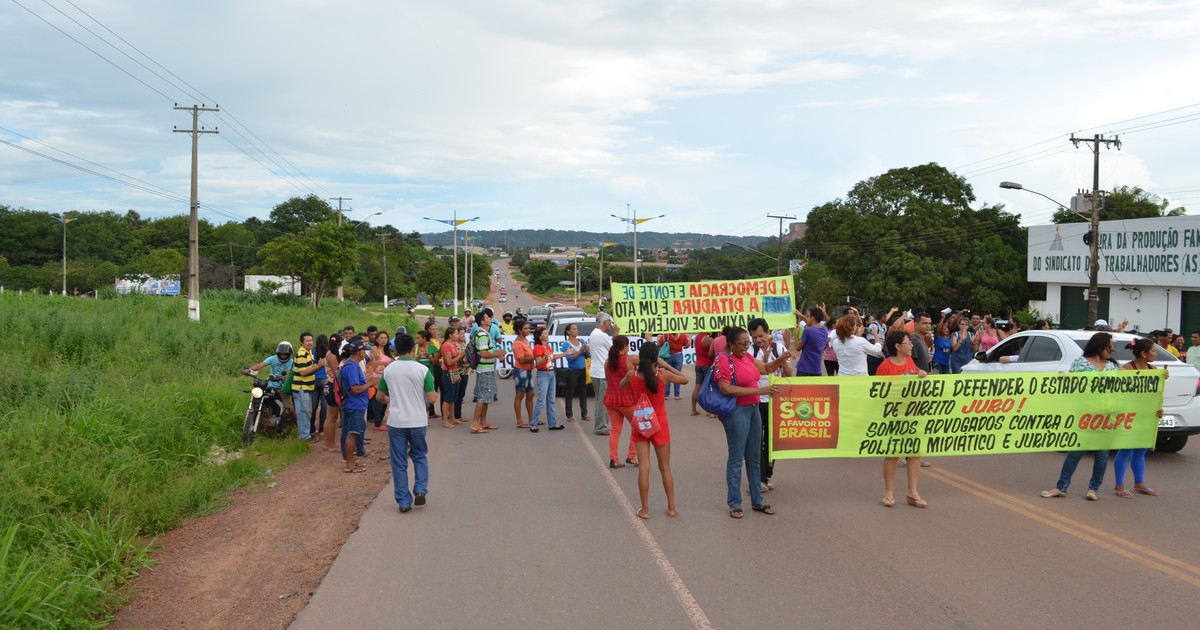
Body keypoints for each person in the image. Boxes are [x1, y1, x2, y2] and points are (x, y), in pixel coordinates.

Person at [713, 326, 787, 519]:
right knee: (736, 457)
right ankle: (735, 503)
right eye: (743, 343)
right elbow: (726, 388)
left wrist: (781, 359)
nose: (747, 346)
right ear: (731, 344)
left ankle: (758, 501)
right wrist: (758, 392)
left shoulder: (746, 357)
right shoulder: (723, 359)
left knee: (754, 457)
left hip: (753, 410)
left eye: (748, 342)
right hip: (737, 411)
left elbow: (765, 369)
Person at [1041, 332, 1121, 501]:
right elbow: (1074, 388)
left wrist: (1159, 378)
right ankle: (1061, 486)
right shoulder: (1080, 363)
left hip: (1107, 417)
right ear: (1099, 347)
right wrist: (1066, 380)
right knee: (1075, 452)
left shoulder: (1113, 366)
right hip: (1084, 416)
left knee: (1102, 454)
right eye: (1109, 347)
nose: (1112, 350)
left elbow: (1130, 385)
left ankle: (1094, 489)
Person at [622, 340, 688, 519]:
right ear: (656, 359)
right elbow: (685, 379)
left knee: (644, 468)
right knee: (665, 467)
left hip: (641, 423)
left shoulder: (632, 375)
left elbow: (622, 384)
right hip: (660, 424)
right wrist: (666, 366)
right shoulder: (662, 375)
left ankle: (644, 510)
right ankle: (672, 508)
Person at [376, 334, 438, 512]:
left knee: (399, 462)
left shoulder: (389, 370)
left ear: (396, 349)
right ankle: (420, 489)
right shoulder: (422, 370)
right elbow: (432, 399)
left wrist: (391, 400)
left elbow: (380, 396)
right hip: (417, 420)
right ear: (413, 348)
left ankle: (403, 501)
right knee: (419, 456)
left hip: (396, 422)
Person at [875, 331, 929, 508]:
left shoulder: (910, 362)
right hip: (893, 416)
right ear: (898, 347)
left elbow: (914, 382)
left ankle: (912, 492)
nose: (912, 346)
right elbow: (878, 393)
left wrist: (919, 374)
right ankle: (888, 492)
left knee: (914, 454)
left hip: (912, 414)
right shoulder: (884, 367)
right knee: (892, 454)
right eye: (908, 343)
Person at [1113, 338, 1162, 498]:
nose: (1155, 354)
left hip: (1145, 415)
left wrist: (1159, 409)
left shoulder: (1153, 369)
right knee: (1125, 448)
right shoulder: (1126, 370)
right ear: (1143, 353)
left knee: (1141, 449)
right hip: (1128, 415)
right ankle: (1119, 485)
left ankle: (1139, 483)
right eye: (1153, 351)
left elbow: (1156, 394)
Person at [749, 318, 793, 493]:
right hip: (756, 401)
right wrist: (766, 363)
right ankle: (759, 478)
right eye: (755, 337)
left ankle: (767, 476)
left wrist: (780, 360)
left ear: (768, 332)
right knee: (757, 441)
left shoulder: (779, 348)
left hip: (776, 402)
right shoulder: (750, 352)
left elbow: (790, 374)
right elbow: (750, 375)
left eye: (760, 336)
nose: (758, 340)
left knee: (772, 442)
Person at [339, 339, 379, 473]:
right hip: (354, 405)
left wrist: (367, 381)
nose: (365, 353)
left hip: (355, 404)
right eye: (364, 350)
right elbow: (355, 389)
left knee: (353, 433)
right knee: (352, 434)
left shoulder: (352, 365)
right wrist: (370, 383)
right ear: (360, 352)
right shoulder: (352, 367)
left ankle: (351, 461)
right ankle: (349, 464)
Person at [604, 335, 639, 467]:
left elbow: (608, 380)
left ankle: (614, 459)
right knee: (637, 427)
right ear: (625, 346)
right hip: (627, 400)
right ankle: (631, 455)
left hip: (611, 400)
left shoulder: (608, 361)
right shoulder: (630, 359)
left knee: (615, 430)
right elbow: (648, 359)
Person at [468, 310, 505, 434]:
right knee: (483, 396)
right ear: (482, 321)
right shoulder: (482, 334)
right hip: (484, 370)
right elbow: (483, 353)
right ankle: (475, 423)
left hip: (486, 368)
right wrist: (497, 353)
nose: (490, 319)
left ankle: (483, 422)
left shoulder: (483, 333)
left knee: (487, 395)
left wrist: (496, 356)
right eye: (487, 318)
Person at [244, 341, 296, 427]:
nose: (283, 356)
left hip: (283, 387)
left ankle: (297, 425)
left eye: (285, 354)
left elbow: (292, 372)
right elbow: (260, 365)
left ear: (289, 354)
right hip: (270, 385)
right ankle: (257, 418)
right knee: (257, 398)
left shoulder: (292, 362)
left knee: (289, 407)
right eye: (281, 354)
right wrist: (249, 370)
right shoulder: (272, 359)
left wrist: (287, 375)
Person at [530, 326, 568, 432]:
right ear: (540, 336)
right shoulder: (538, 347)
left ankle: (552, 423)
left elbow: (552, 357)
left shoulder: (546, 346)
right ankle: (533, 424)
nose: (547, 335)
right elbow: (538, 363)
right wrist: (545, 357)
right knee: (541, 400)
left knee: (551, 400)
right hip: (543, 374)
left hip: (551, 373)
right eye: (545, 333)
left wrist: (565, 354)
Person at [589, 312, 617, 435]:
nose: (610, 326)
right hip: (601, 372)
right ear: (605, 322)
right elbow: (615, 349)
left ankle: (601, 425)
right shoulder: (601, 335)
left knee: (600, 400)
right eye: (609, 323)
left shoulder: (594, 333)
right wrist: (616, 333)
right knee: (603, 401)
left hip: (597, 371)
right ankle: (601, 427)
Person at [291, 332, 322, 442]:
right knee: (303, 412)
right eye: (307, 341)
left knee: (307, 411)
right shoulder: (302, 354)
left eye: (310, 340)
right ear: (301, 342)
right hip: (301, 388)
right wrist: (318, 366)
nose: (309, 343)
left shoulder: (309, 353)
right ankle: (304, 436)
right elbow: (303, 372)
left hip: (306, 387)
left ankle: (305, 435)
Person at [561, 323, 589, 422]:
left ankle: (584, 414)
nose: (576, 331)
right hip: (572, 371)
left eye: (576, 329)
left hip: (583, 370)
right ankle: (569, 415)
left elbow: (587, 356)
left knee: (583, 392)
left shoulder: (581, 341)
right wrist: (581, 351)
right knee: (570, 393)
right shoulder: (566, 344)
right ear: (568, 332)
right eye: (573, 329)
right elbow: (570, 359)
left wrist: (587, 350)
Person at [511, 318, 536, 428]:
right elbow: (521, 359)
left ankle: (532, 419)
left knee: (530, 394)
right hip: (521, 371)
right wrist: (534, 358)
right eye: (525, 328)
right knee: (519, 395)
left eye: (528, 328)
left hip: (528, 370)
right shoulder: (517, 343)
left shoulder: (526, 341)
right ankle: (519, 420)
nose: (528, 330)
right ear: (519, 330)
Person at [439, 326, 465, 427]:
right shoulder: (446, 346)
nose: (457, 335)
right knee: (448, 398)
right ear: (450, 335)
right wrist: (461, 355)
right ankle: (445, 420)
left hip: (455, 372)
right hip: (448, 373)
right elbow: (449, 362)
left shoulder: (453, 344)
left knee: (453, 397)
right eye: (456, 334)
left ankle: (453, 418)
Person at [321, 333, 343, 453]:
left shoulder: (328, 354)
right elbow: (337, 372)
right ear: (339, 344)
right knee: (332, 418)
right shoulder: (333, 356)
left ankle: (328, 443)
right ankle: (331, 444)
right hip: (333, 386)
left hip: (328, 386)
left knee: (330, 417)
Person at [368, 332, 394, 432]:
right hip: (376, 378)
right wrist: (390, 362)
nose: (383, 340)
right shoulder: (375, 349)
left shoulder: (387, 351)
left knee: (385, 400)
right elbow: (377, 362)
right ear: (377, 339)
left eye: (385, 338)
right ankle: (377, 423)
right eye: (381, 338)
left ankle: (383, 422)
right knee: (378, 400)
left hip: (386, 377)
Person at [791, 307, 828, 377]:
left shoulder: (808, 331)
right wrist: (800, 315)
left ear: (813, 317)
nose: (808, 318)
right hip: (817, 369)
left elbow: (797, 348)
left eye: (809, 316)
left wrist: (795, 335)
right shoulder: (825, 330)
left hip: (804, 368)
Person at [690, 330, 715, 416]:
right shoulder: (708, 340)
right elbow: (711, 353)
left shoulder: (697, 337)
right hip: (707, 365)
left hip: (698, 364)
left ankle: (693, 409)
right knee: (710, 388)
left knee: (697, 387)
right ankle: (710, 411)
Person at [658, 332, 689, 399]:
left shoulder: (666, 335)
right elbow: (687, 345)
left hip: (668, 355)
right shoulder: (682, 335)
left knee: (668, 375)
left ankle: (666, 394)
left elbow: (659, 343)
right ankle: (677, 395)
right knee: (677, 374)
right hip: (678, 355)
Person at [312, 334, 330, 437]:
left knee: (313, 406)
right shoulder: (328, 352)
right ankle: (322, 429)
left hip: (314, 379)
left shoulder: (313, 352)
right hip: (325, 379)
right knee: (324, 405)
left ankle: (312, 428)